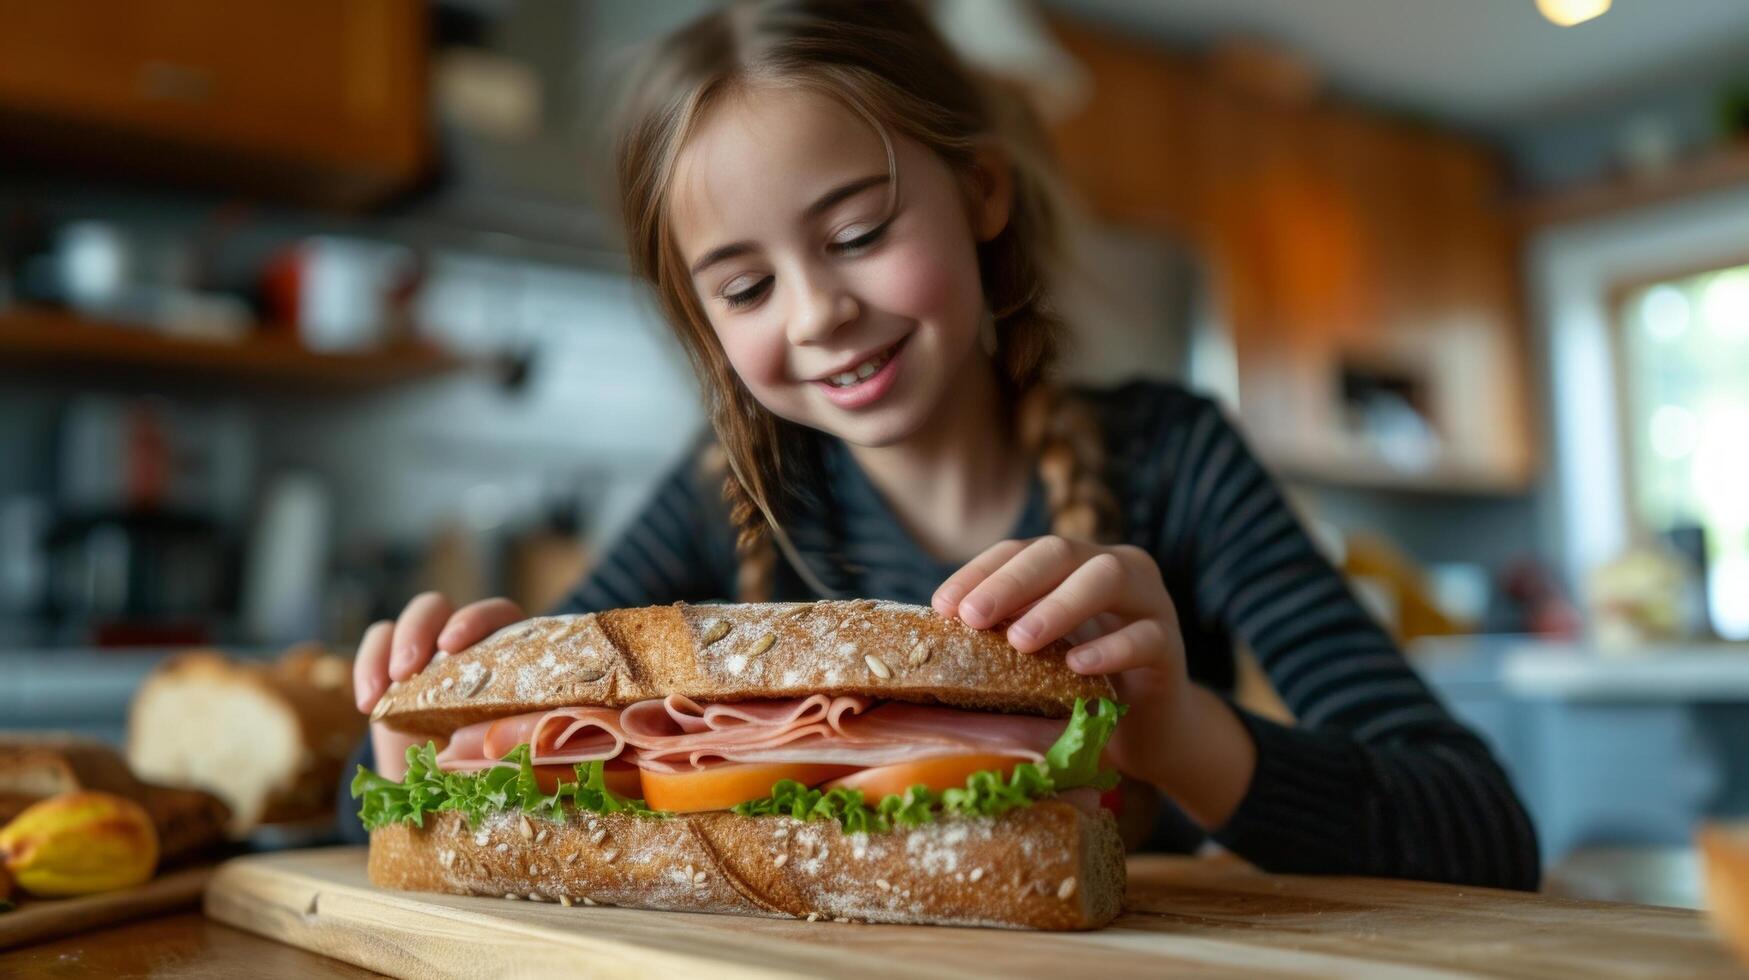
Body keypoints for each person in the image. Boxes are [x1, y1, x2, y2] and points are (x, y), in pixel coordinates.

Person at [351, 0, 1538, 888]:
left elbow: (1485, 830)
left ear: (980, 194)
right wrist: (428, 742)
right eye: (748, 284)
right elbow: (493, 787)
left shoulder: (1178, 457)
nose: (817, 313)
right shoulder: (731, 494)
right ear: (702, 323)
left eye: (859, 231)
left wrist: (1176, 733)